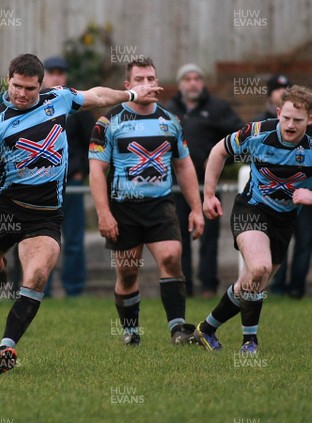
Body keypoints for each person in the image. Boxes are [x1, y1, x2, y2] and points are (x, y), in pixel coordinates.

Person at [0, 53, 162, 375]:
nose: (22, 94)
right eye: (16, 87)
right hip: (5, 210)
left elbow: (97, 96)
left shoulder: (60, 99)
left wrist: (132, 94)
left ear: (42, 85)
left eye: (30, 88)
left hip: (46, 216)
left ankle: (6, 347)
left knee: (36, 277)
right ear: (7, 80)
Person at [89, 57, 205, 347]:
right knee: (128, 272)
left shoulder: (170, 121)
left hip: (160, 205)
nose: (146, 84)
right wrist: (103, 214)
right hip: (122, 208)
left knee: (170, 257)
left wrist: (196, 209)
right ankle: (131, 331)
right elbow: (96, 171)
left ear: (158, 83)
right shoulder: (108, 122)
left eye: (151, 79)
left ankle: (178, 330)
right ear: (128, 86)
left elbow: (184, 166)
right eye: (139, 79)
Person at [194, 85, 312, 354]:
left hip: (284, 221)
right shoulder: (258, 132)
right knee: (259, 268)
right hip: (252, 209)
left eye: (299, 120)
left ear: (310, 120)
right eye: (286, 118)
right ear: (279, 113)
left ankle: (206, 329)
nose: (291, 125)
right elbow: (218, 151)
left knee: (251, 282)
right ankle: (250, 342)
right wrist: (209, 194)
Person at [166, 63, 244, 298]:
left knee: (209, 236)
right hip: (178, 186)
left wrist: (220, 161)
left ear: (203, 82)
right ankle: (185, 286)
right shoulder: (168, 110)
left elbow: (241, 138)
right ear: (180, 84)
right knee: (181, 236)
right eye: (187, 78)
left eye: (197, 78)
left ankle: (209, 286)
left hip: (209, 185)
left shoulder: (218, 109)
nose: (192, 82)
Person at [41, 56, 95, 297]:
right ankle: (41, 288)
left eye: (60, 72)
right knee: (42, 238)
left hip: (71, 182)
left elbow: (92, 144)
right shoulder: (34, 104)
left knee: (73, 238)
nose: (56, 77)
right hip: (41, 183)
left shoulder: (76, 105)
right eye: (51, 72)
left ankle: (74, 290)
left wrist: (81, 170)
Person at [255, 75, 312, 299]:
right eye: (276, 88)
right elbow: (226, 149)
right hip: (273, 202)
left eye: (298, 119)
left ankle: (297, 287)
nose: (291, 124)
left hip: (303, 198)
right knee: (277, 243)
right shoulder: (261, 127)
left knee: (304, 241)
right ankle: (276, 287)